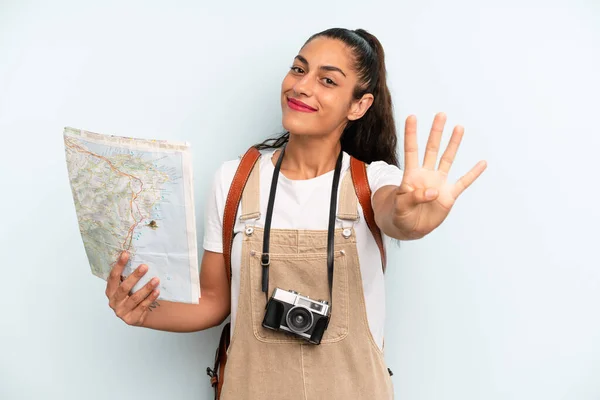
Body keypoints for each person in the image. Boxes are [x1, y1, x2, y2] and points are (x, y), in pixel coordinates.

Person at [104, 27, 487, 399]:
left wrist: (409, 218)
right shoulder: (234, 180)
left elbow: (394, 213)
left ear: (359, 105)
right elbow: (213, 302)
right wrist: (142, 312)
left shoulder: (373, 181)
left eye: (328, 81)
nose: (302, 86)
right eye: (299, 69)